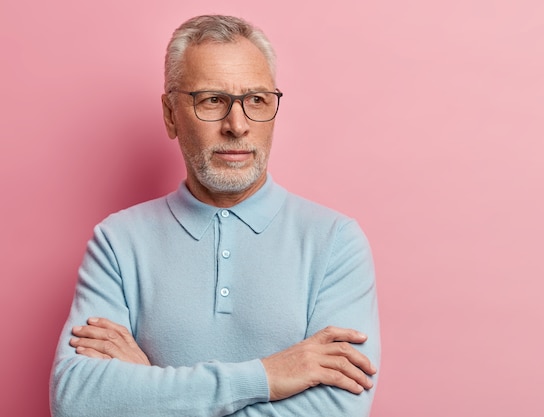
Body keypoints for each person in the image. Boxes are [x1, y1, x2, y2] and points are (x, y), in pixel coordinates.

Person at [50, 14, 380, 417]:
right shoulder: (117, 241)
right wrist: (267, 377)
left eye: (257, 100)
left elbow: (337, 409)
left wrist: (151, 387)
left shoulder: (335, 242)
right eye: (212, 100)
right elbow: (76, 401)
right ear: (171, 114)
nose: (237, 125)